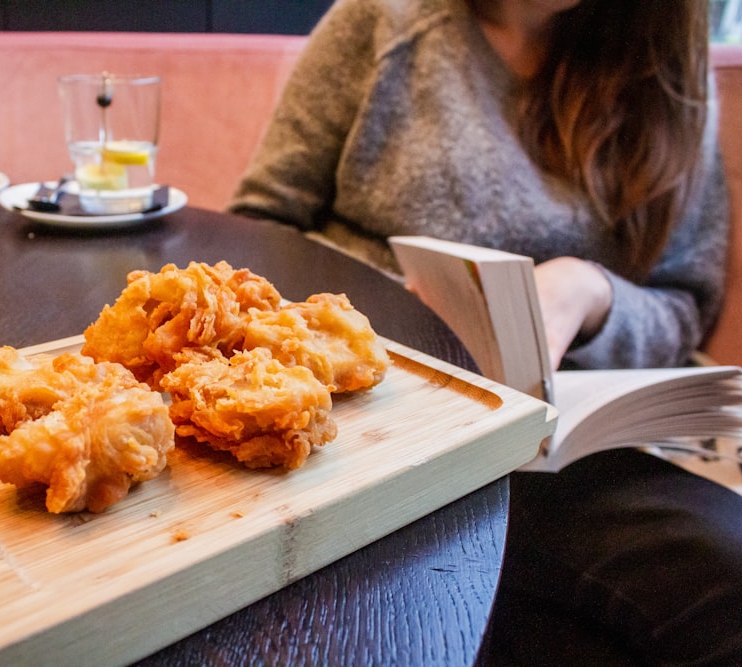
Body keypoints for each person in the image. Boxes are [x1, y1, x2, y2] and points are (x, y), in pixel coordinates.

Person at [228, 0, 742, 663]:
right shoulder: (384, 21)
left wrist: (591, 293)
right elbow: (257, 232)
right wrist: (376, 312)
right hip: (362, 430)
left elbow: (683, 305)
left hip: (549, 446)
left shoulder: (664, 68)